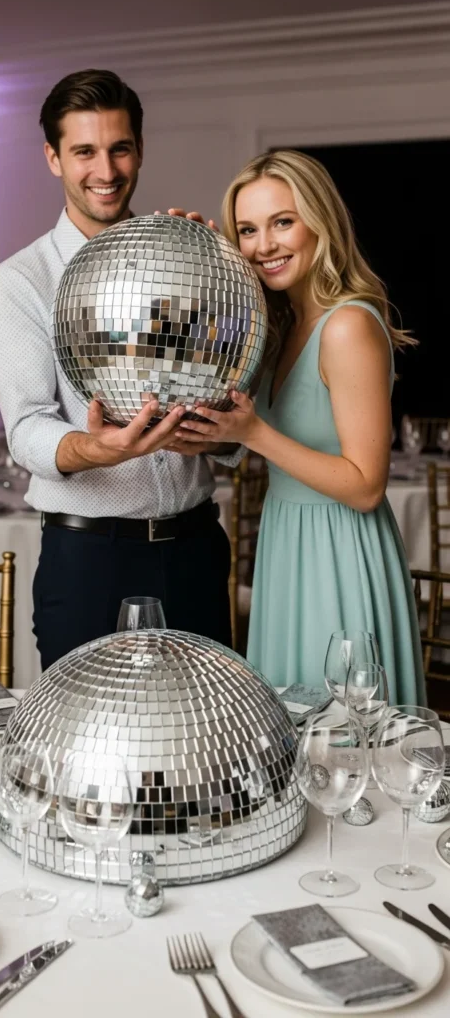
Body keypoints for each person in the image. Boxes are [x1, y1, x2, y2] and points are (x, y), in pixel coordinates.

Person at [0, 70, 240, 672]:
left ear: (140, 150)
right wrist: (99, 449)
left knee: (204, 728)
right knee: (89, 735)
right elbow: (27, 428)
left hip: (197, 549)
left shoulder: (186, 260)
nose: (106, 170)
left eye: (119, 148)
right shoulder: (19, 282)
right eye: (84, 152)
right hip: (91, 558)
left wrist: (217, 275)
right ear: (53, 158)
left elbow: (232, 394)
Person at [175, 149, 426, 705]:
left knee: (342, 733)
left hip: (340, 552)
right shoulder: (281, 326)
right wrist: (195, 259)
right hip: (287, 541)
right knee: (290, 726)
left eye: (282, 222)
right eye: (247, 230)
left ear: (320, 222)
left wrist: (254, 433)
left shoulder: (347, 325)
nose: (264, 245)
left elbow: (366, 485)